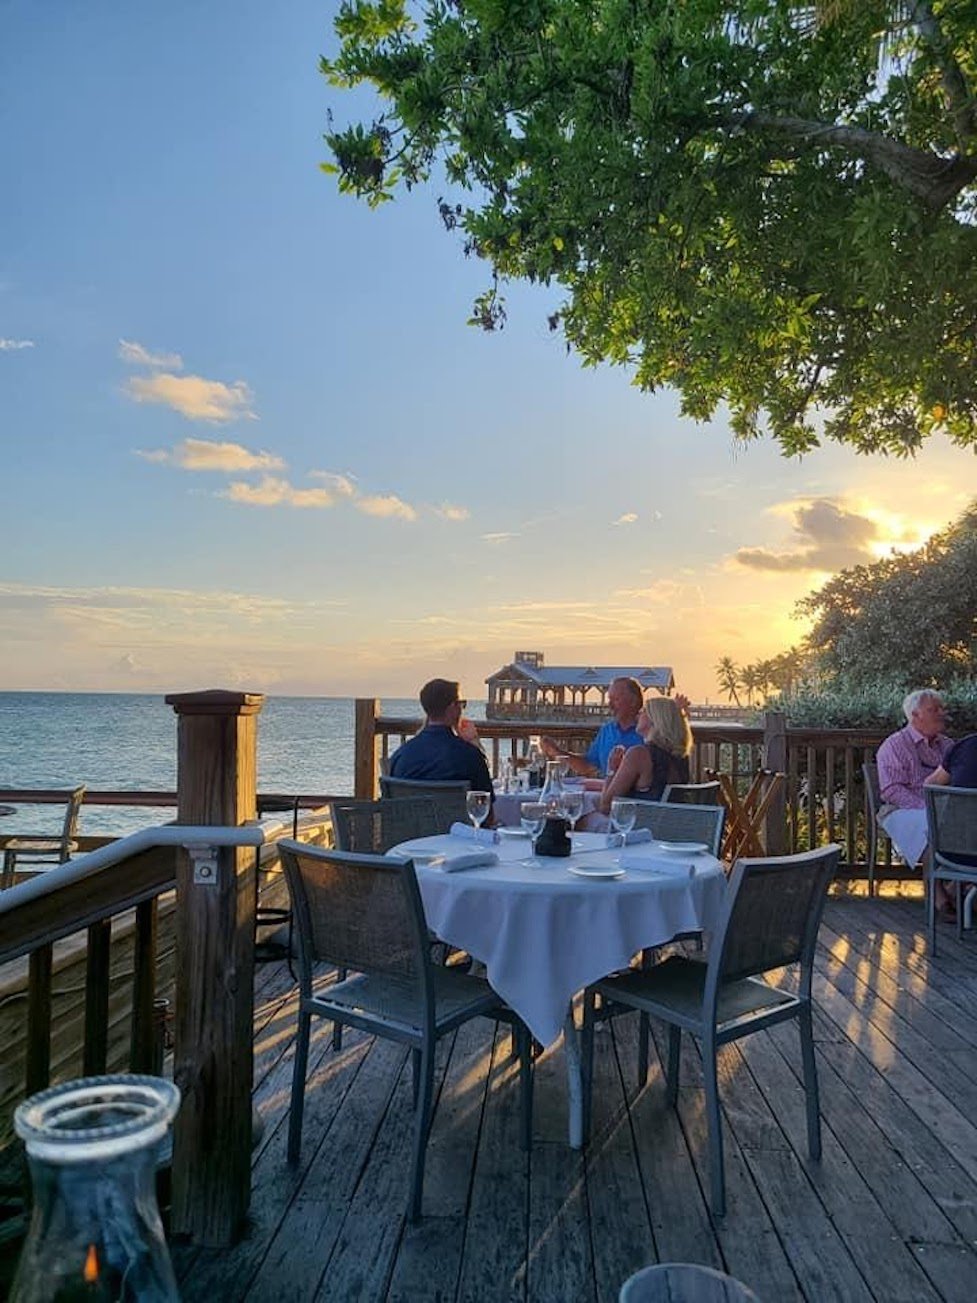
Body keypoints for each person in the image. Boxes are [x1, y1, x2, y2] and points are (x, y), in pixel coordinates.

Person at [876, 688, 954, 908]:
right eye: (933, 709)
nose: (941, 713)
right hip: (900, 809)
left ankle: (956, 889)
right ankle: (936, 895)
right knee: (929, 826)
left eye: (941, 708)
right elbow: (891, 790)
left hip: (944, 808)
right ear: (915, 715)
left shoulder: (948, 746)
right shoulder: (894, 745)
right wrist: (926, 807)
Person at [388, 678, 495, 811]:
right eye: (461, 704)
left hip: (411, 830)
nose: (462, 709)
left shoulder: (399, 756)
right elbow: (487, 813)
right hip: (456, 831)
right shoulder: (470, 756)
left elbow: (391, 810)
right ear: (452, 708)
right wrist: (475, 743)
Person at [598, 695, 693, 814]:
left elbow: (606, 806)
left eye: (643, 711)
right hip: (668, 827)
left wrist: (611, 770)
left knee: (581, 818)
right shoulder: (681, 757)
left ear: (654, 720)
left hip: (637, 828)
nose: (637, 715)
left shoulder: (638, 754)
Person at [540, 677, 645, 777]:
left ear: (633, 702)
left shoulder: (648, 731)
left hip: (635, 795)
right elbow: (587, 765)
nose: (610, 705)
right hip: (608, 793)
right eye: (610, 699)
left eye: (616, 699)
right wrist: (557, 751)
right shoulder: (607, 730)